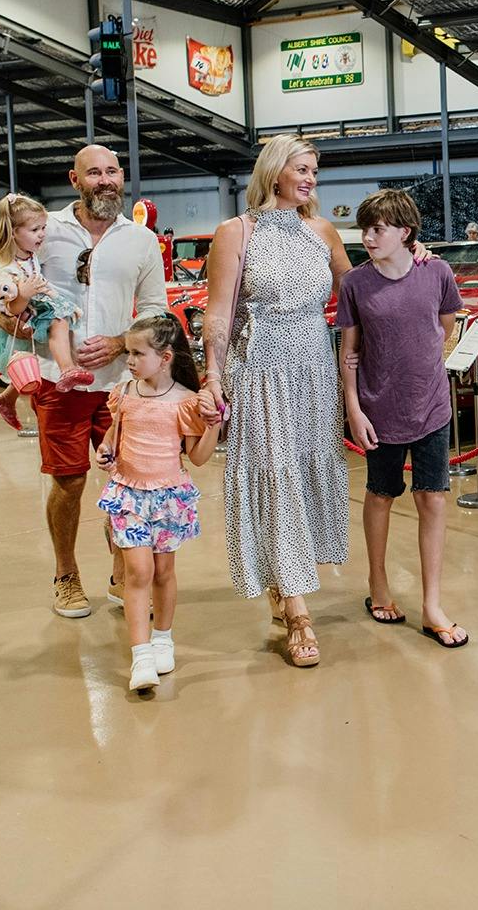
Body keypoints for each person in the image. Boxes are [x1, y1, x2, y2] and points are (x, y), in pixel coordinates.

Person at [202, 135, 354, 668]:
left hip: (314, 367)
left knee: (307, 475)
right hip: (261, 368)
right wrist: (213, 374)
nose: (311, 178)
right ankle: (297, 612)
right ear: (273, 172)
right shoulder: (235, 232)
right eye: (302, 168)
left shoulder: (322, 231)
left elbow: (358, 293)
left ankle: (284, 577)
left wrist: (412, 255)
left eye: (315, 170)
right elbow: (218, 313)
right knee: (275, 479)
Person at [1, 147, 166, 619]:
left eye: (113, 171)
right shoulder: (44, 229)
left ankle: (123, 575)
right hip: (60, 383)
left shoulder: (140, 240)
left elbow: (155, 306)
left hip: (122, 384)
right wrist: (9, 313)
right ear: (75, 179)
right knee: (69, 482)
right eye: (94, 173)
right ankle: (66, 576)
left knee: (128, 482)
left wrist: (121, 342)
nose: (106, 180)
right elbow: (2, 283)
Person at [338, 189, 469, 650]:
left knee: (433, 500)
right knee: (381, 494)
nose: (368, 237)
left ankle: (433, 604)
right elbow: (349, 351)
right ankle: (378, 582)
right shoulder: (355, 283)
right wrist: (353, 408)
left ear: (405, 233)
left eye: (378, 229)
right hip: (380, 411)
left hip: (431, 407)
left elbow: (445, 325)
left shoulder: (437, 272)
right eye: (366, 229)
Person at [97, 314, 219, 692]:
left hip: (167, 497)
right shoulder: (124, 394)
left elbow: (197, 457)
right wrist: (105, 450)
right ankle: (141, 655)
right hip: (129, 494)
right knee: (138, 573)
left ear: (165, 357)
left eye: (137, 353)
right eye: (129, 353)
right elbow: (111, 438)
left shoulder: (184, 402)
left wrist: (213, 423)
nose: (129, 360)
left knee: (164, 573)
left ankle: (163, 638)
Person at [0, 194, 93, 430]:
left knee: (32, 364)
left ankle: (6, 399)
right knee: (58, 323)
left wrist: (64, 302)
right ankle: (67, 368)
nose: (42, 234)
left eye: (43, 228)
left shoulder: (29, 257)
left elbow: (42, 284)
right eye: (34, 229)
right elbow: (11, 307)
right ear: (13, 232)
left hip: (34, 308)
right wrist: (25, 294)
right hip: (23, 314)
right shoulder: (5, 268)